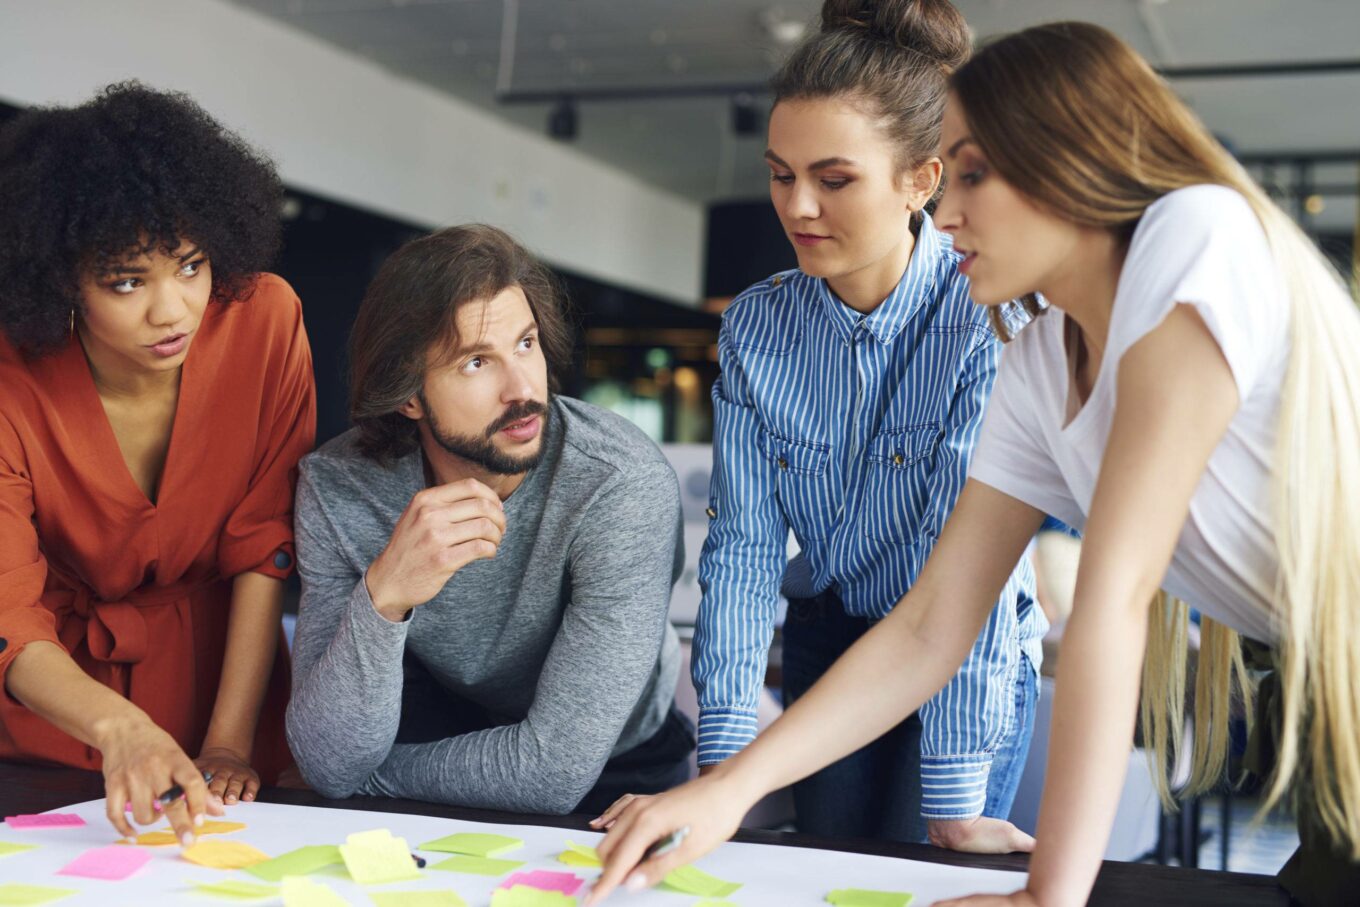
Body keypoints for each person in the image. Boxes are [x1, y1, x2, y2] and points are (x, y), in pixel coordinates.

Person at [585, 21, 1360, 907]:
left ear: (1070, 160)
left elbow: (1112, 603)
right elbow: (931, 625)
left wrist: (1046, 896)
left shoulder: (1195, 235)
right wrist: (726, 786)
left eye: (975, 173)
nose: (946, 211)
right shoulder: (1032, 363)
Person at [594, 0, 1044, 850]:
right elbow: (746, 551)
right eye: (779, 173)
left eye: (834, 179)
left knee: (924, 865)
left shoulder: (989, 313)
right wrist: (722, 768)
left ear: (923, 178)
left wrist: (953, 797)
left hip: (964, 658)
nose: (797, 206)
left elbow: (971, 585)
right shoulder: (759, 327)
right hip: (832, 640)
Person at [286, 224, 694, 815]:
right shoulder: (340, 487)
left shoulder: (618, 483)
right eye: (477, 362)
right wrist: (386, 594)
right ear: (409, 395)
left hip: (616, 767)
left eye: (526, 344)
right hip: (446, 728)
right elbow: (328, 758)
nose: (523, 388)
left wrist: (370, 782)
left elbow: (552, 772)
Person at [0, 83, 315, 845]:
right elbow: (6, 609)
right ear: (60, 279)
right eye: (127, 281)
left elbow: (264, 548)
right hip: (59, 706)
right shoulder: (10, 379)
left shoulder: (264, 324)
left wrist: (230, 740)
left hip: (224, 687)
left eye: (191, 265)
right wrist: (120, 729)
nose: (172, 309)